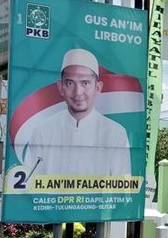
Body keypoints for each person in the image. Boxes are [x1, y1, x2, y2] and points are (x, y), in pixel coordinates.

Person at [22, 48, 131, 176]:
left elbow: (122, 187)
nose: (78, 92)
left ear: (98, 88)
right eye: (70, 83)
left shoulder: (116, 133)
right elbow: (29, 181)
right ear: (60, 87)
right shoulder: (43, 130)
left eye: (85, 83)